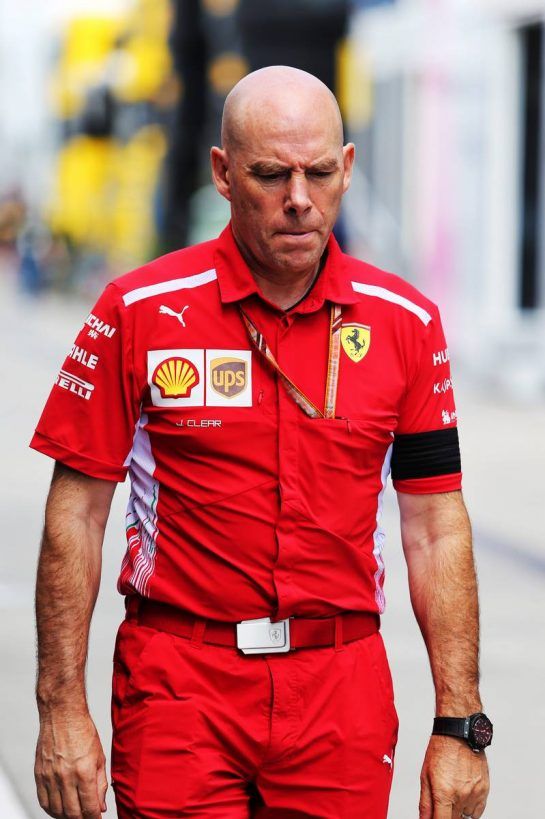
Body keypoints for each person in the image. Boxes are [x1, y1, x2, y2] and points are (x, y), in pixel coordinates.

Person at [31, 66, 491, 819]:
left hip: (338, 693)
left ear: (346, 168)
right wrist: (60, 709)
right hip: (179, 686)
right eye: (270, 174)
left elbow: (434, 528)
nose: (299, 199)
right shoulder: (137, 310)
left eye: (317, 172)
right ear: (221, 172)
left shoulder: (404, 323)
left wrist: (459, 724)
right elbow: (75, 516)